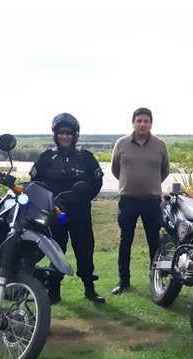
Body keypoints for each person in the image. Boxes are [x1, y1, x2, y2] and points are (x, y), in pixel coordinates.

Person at [30, 113, 106, 304]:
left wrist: (83, 194)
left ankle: (90, 289)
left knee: (85, 250)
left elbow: (96, 182)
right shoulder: (46, 158)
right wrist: (48, 202)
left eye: (68, 133)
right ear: (55, 135)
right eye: (61, 133)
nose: (65, 137)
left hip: (80, 213)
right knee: (56, 250)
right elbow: (35, 183)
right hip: (56, 215)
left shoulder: (85, 158)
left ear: (75, 135)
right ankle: (53, 291)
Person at [110, 107, 169, 295]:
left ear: (151, 123)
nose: (142, 124)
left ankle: (156, 280)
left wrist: (150, 184)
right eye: (139, 121)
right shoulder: (121, 144)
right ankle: (124, 281)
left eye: (146, 121)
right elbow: (115, 169)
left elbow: (165, 171)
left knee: (155, 242)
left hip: (152, 201)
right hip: (128, 200)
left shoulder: (160, 145)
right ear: (133, 122)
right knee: (125, 241)